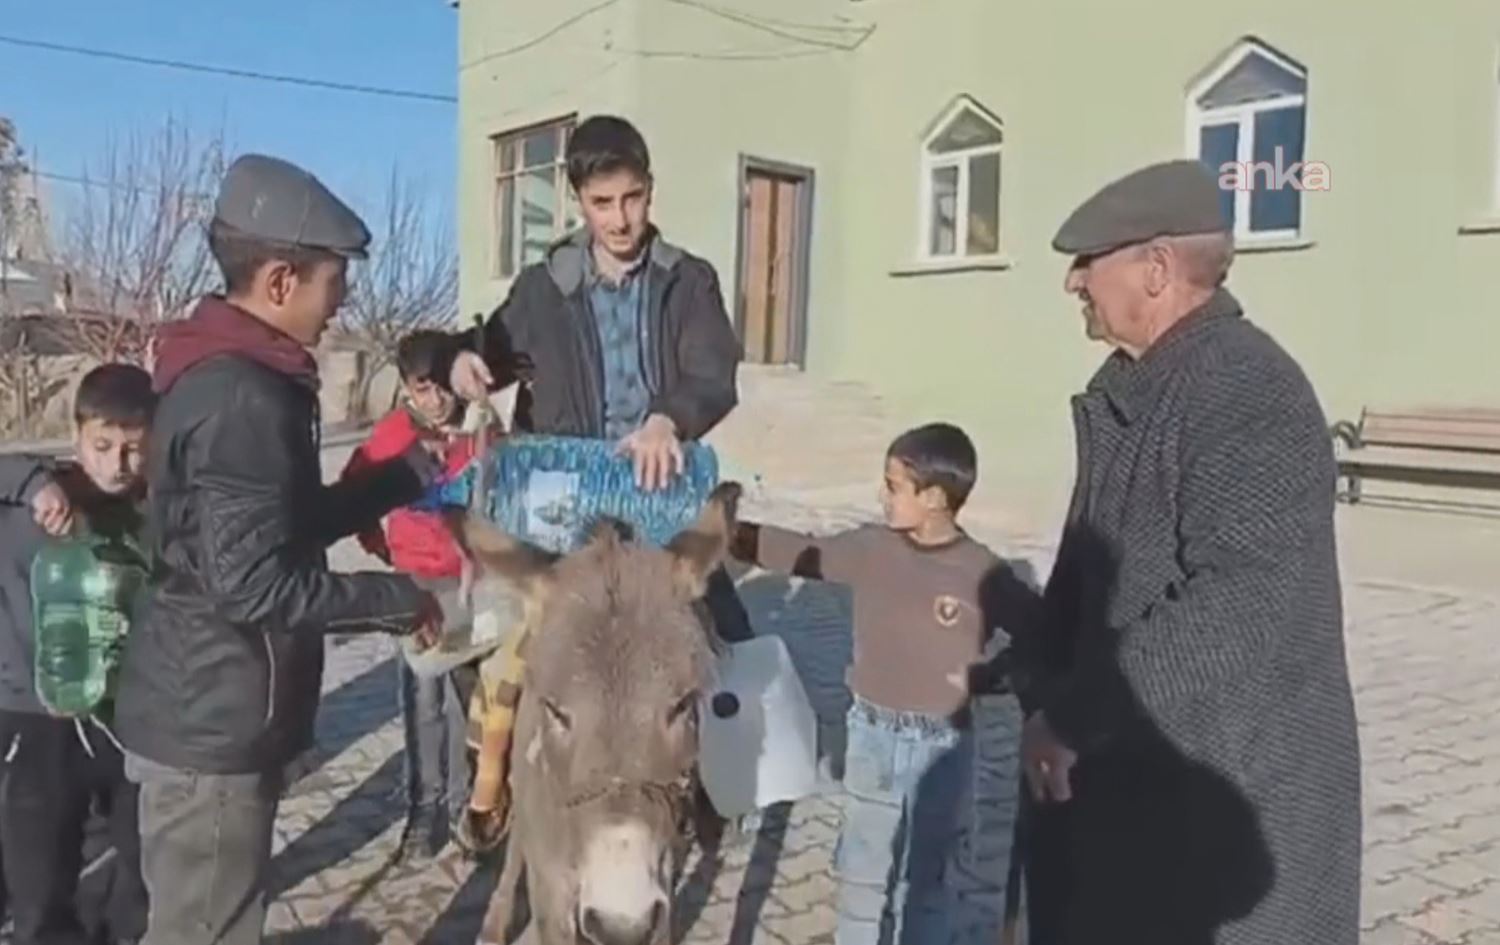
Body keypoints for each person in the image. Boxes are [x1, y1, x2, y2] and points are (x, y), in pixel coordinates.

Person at [1016, 159, 1361, 945]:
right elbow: (1091, 570)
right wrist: (1030, 663)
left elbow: (1241, 602)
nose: (1073, 282)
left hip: (1225, 804)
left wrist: (1074, 713)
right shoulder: (1140, 383)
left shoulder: (1247, 389)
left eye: (1088, 261)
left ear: (1158, 268)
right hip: (1133, 795)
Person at [112, 153, 445, 945]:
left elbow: (279, 525)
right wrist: (400, 600)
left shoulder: (234, 373)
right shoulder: (242, 395)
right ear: (281, 281)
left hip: (208, 709)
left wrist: (402, 473)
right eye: (336, 280)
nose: (343, 300)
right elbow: (256, 585)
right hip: (211, 730)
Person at [729, 423, 1030, 945]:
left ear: (934, 498)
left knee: (927, 882)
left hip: (945, 748)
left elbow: (1041, 634)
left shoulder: (983, 573)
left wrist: (993, 678)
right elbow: (804, 551)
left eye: (894, 486)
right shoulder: (871, 548)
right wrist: (731, 532)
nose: (882, 495)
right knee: (862, 879)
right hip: (872, 735)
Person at [0, 364, 157, 945]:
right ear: (77, 438)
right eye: (103, 445)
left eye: (133, 448)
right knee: (41, 877)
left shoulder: (157, 511)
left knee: (142, 867)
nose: (118, 464)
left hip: (129, 714)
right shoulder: (36, 505)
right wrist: (28, 480)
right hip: (38, 718)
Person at [341, 330, 492, 861]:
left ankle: (466, 808)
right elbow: (353, 490)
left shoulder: (479, 428)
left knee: (466, 701)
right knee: (422, 701)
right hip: (417, 584)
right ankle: (424, 811)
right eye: (421, 389)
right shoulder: (393, 434)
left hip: (471, 584)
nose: (435, 400)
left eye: (440, 386)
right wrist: (383, 548)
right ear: (407, 388)